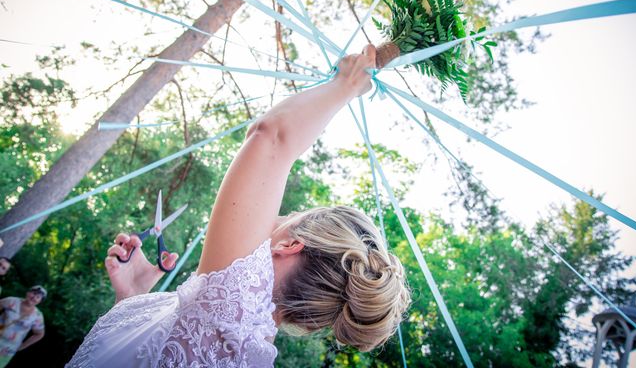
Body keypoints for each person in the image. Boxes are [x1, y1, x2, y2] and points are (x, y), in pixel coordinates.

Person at [67, 46, 410, 367]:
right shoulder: (246, 346)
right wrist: (132, 297)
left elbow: (271, 136)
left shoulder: (234, 305)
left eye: (289, 217)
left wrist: (347, 83)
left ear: (290, 245)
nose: (275, 214)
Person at [0, 285, 46, 367]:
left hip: (8, 349)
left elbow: (39, 334)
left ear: (40, 301)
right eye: (33, 293)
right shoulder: (11, 301)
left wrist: (22, 347)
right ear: (28, 292)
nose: (34, 297)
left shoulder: (37, 316)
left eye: (38, 297)